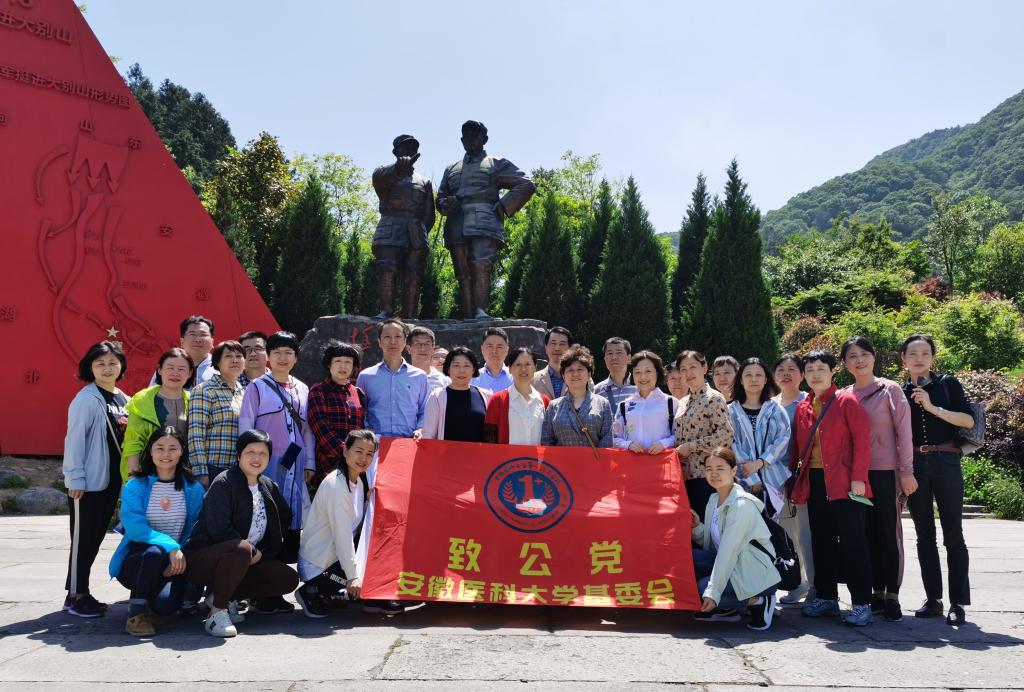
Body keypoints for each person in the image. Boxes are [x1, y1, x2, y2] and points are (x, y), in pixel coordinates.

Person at [184, 430, 299, 637]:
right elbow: (219, 529)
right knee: (242, 548)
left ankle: (223, 596)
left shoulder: (268, 485)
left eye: (263, 453)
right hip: (204, 559)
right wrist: (252, 550)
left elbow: (284, 517)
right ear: (239, 455)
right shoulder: (224, 482)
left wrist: (265, 550)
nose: (257, 458)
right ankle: (216, 613)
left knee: (287, 579)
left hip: (244, 559)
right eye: (250, 452)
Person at [788, 350, 874, 626]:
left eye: (821, 369)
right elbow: (798, 448)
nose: (815, 375)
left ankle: (862, 603)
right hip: (814, 481)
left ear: (832, 372)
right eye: (810, 370)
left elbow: (862, 440)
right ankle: (826, 597)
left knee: (853, 542)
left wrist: (859, 478)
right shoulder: (803, 406)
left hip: (845, 482)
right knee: (821, 541)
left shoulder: (846, 401)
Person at [295, 430, 414, 618]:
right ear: (345, 451)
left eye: (369, 454)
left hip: (335, 557)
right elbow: (342, 536)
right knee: (358, 570)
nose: (364, 458)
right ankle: (311, 590)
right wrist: (352, 576)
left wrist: (368, 503)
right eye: (358, 451)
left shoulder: (357, 481)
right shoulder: (336, 485)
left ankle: (365, 596)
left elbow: (356, 525)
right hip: (319, 565)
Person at [900, 333, 975, 626]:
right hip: (915, 464)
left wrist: (932, 407)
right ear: (903, 359)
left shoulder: (947, 384)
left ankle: (958, 602)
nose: (919, 359)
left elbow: (967, 420)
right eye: (913, 354)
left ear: (933, 358)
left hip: (946, 461)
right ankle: (933, 599)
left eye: (925, 353)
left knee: (953, 534)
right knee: (924, 536)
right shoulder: (899, 391)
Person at [842, 336, 917, 622]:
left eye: (864, 354)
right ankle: (875, 592)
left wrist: (906, 471)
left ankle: (892, 595)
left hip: (885, 472)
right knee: (864, 533)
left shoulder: (890, 390)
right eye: (852, 356)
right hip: (856, 476)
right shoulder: (845, 395)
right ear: (845, 363)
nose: (859, 360)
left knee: (888, 532)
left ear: (874, 357)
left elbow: (904, 433)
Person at [436, 120, 536, 318]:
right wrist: (445, 204)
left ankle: (480, 312)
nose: (470, 139)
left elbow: (526, 184)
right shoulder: (451, 169)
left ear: (485, 139)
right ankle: (468, 315)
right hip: (456, 223)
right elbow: (440, 198)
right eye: (466, 136)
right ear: (461, 140)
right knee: (462, 271)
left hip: (484, 221)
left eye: (475, 135)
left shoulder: (495, 163)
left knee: (480, 265)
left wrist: (504, 205)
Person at [110, 427, 204, 636]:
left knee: (166, 605)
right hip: (139, 559)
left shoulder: (194, 489)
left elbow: (195, 529)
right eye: (159, 448)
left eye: (172, 448)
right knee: (154, 553)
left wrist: (179, 554)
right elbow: (136, 529)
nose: (166, 454)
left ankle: (151, 600)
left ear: (182, 451)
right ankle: (136, 614)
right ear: (150, 452)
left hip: (175, 563)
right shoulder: (135, 486)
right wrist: (171, 548)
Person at [239, 331, 315, 582]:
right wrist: (249, 462)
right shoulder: (257, 387)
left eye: (288, 353)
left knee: (292, 511)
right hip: (266, 461)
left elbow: (307, 429)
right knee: (265, 512)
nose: (283, 357)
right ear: (268, 357)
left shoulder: (302, 388)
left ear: (296, 357)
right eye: (277, 352)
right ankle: (261, 580)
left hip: (296, 461)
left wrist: (310, 463)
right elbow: (247, 425)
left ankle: (282, 576)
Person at [62, 341, 130, 618]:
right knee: (83, 540)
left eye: (113, 362)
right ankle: (75, 596)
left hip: (110, 481)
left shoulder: (123, 399)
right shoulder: (87, 399)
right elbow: (74, 440)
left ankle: (81, 592)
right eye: (100, 363)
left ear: (121, 366)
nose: (107, 368)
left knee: (94, 538)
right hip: (88, 483)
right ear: (90, 367)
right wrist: (74, 478)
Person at [691, 448, 779, 630]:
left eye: (720, 468)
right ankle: (728, 610)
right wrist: (697, 527)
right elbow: (713, 545)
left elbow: (727, 552)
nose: (714, 474)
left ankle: (758, 599)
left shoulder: (741, 505)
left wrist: (713, 593)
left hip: (754, 573)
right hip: (734, 566)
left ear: (733, 471)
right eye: (709, 469)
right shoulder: (713, 499)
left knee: (700, 591)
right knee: (687, 561)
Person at [371, 134, 435, 319]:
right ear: (395, 151)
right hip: (390, 226)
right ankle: (386, 311)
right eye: (404, 148)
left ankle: (410, 314)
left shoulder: (424, 181)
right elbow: (382, 180)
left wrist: (420, 232)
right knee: (387, 268)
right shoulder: (383, 173)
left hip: (415, 230)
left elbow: (429, 214)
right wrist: (399, 168)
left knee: (414, 273)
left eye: (412, 149)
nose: (409, 151)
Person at [771, 354, 814, 605]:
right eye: (781, 369)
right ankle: (798, 583)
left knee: (806, 533)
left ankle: (816, 586)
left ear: (801, 374)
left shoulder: (808, 401)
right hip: (776, 480)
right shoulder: (770, 404)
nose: (786, 374)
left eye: (791, 369)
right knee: (788, 534)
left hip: (802, 478)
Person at [674, 350, 734, 520]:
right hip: (684, 478)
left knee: (706, 526)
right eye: (683, 369)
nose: (688, 373)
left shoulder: (714, 398)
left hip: (707, 476)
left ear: (704, 367)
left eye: (693, 367)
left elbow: (726, 435)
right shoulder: (683, 402)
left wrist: (691, 447)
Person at [728, 358, 791, 515]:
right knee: (744, 523)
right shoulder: (730, 411)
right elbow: (731, 443)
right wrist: (751, 477)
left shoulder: (775, 409)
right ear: (741, 380)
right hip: (741, 480)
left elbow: (783, 439)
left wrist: (759, 463)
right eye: (748, 375)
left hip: (772, 480)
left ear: (766, 379)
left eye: (758, 375)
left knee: (771, 525)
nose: (754, 379)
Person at [122, 348, 194, 480]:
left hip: (182, 473)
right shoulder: (142, 400)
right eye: (170, 368)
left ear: (190, 373)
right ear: (160, 370)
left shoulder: (194, 400)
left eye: (182, 369)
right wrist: (133, 476)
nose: (175, 373)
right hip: (148, 472)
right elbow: (133, 441)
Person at [356, 319, 429, 439]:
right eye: (387, 337)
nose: (393, 341)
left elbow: (425, 410)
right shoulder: (366, 376)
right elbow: (360, 410)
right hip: (375, 442)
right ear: (379, 342)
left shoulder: (419, 376)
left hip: (409, 441)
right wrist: (367, 429)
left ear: (405, 341)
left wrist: (420, 429)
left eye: (398, 336)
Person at [308, 341, 367, 490]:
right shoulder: (318, 390)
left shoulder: (358, 393)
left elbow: (362, 428)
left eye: (348, 362)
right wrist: (347, 455)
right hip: (329, 464)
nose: (343, 366)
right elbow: (320, 427)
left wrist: (358, 456)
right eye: (338, 361)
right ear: (329, 364)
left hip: (356, 466)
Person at [188, 341, 246, 487]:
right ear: (218, 362)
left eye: (239, 356)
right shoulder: (204, 390)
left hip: (238, 470)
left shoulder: (244, 393)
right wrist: (201, 472)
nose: (235, 360)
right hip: (212, 468)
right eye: (228, 356)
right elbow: (196, 432)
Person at [541, 346, 613, 448]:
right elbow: (546, 441)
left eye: (580, 369)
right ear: (563, 376)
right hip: (562, 458)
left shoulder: (603, 404)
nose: (575, 374)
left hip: (594, 458)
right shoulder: (553, 406)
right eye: (570, 370)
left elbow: (607, 441)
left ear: (589, 374)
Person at [422, 347, 494, 442]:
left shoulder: (486, 396)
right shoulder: (437, 397)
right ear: (448, 369)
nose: (461, 371)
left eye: (466, 366)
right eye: (456, 366)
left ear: (473, 369)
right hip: (446, 451)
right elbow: (428, 435)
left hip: (479, 451)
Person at [612, 351, 675, 455]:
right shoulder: (624, 405)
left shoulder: (671, 403)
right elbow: (614, 438)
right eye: (637, 372)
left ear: (657, 373)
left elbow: (679, 436)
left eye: (648, 371)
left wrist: (663, 444)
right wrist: (628, 444)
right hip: (632, 463)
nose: (643, 377)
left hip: (661, 461)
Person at [484, 347, 550, 445]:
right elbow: (489, 442)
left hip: (537, 456)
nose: (523, 369)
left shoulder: (545, 401)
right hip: (506, 455)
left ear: (535, 368)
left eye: (528, 364)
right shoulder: (497, 400)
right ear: (510, 369)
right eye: (518, 364)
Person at [149, 316, 216, 388]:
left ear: (212, 342)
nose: (198, 340)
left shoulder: (221, 368)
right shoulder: (167, 366)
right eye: (192, 334)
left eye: (203, 334)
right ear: (182, 341)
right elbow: (152, 393)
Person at [533, 326, 593, 399]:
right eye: (553, 343)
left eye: (562, 344)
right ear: (546, 348)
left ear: (569, 349)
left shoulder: (583, 378)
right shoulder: (533, 380)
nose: (557, 348)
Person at [595, 337, 638, 411]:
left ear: (629, 358)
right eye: (610, 353)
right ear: (605, 359)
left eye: (619, 353)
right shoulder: (597, 391)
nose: (614, 357)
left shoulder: (641, 386)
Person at [406, 326, 450, 391]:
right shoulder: (400, 378)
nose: (422, 349)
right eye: (418, 344)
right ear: (409, 348)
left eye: (427, 344)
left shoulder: (444, 381)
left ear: (433, 348)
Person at [471, 326, 513, 393]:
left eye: (499, 347)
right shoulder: (472, 379)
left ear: (507, 350)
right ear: (482, 349)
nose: (494, 351)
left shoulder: (516, 378)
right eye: (489, 346)